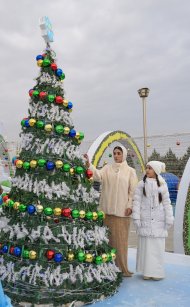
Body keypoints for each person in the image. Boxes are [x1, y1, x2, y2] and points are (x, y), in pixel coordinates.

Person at [84, 145, 138, 277]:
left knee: (120, 242)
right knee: (107, 241)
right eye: (114, 153)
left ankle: (122, 268)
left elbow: (133, 191)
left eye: (119, 153)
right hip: (106, 212)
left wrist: (130, 206)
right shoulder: (107, 168)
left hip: (122, 213)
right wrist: (88, 164)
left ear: (123, 155)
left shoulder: (130, 171)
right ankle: (108, 268)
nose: (116, 156)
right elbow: (97, 176)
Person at [132, 161, 174, 280]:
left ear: (155, 170)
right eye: (146, 168)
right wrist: (137, 217)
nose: (147, 170)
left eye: (150, 168)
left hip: (159, 221)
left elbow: (166, 202)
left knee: (157, 248)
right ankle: (146, 272)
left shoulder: (162, 184)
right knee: (146, 247)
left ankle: (157, 272)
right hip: (145, 220)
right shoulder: (141, 184)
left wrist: (169, 218)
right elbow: (137, 201)